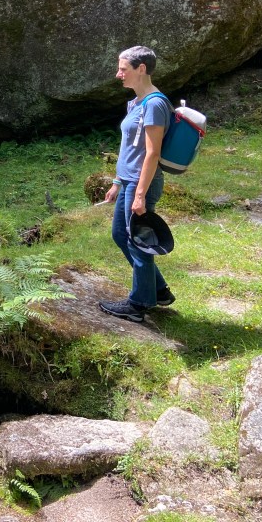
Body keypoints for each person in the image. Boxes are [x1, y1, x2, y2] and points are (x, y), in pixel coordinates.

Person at [99, 46, 176, 323]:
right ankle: (159, 290)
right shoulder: (136, 102)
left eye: (123, 69)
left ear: (141, 69)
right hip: (129, 180)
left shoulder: (155, 104)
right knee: (121, 235)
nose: (118, 74)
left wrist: (140, 194)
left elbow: (152, 153)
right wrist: (117, 182)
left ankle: (139, 303)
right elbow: (130, 148)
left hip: (142, 183)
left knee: (136, 242)